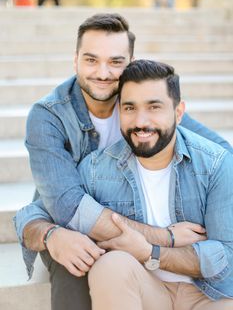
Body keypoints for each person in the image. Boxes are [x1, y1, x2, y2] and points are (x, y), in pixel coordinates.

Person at [15, 14, 233, 310]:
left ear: (130, 62)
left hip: (127, 221)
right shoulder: (49, 116)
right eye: (91, 60)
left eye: (115, 62)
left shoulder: (140, 98)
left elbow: (217, 153)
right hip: (66, 206)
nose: (103, 73)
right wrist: (163, 237)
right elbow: (67, 206)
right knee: (76, 262)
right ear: (75, 60)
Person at [67, 60, 233, 308]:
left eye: (154, 107)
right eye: (130, 108)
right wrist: (52, 235)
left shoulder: (216, 163)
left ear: (178, 112)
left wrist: (149, 252)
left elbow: (225, 255)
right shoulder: (95, 169)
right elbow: (43, 210)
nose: (140, 121)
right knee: (111, 266)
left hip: (209, 294)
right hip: (145, 289)